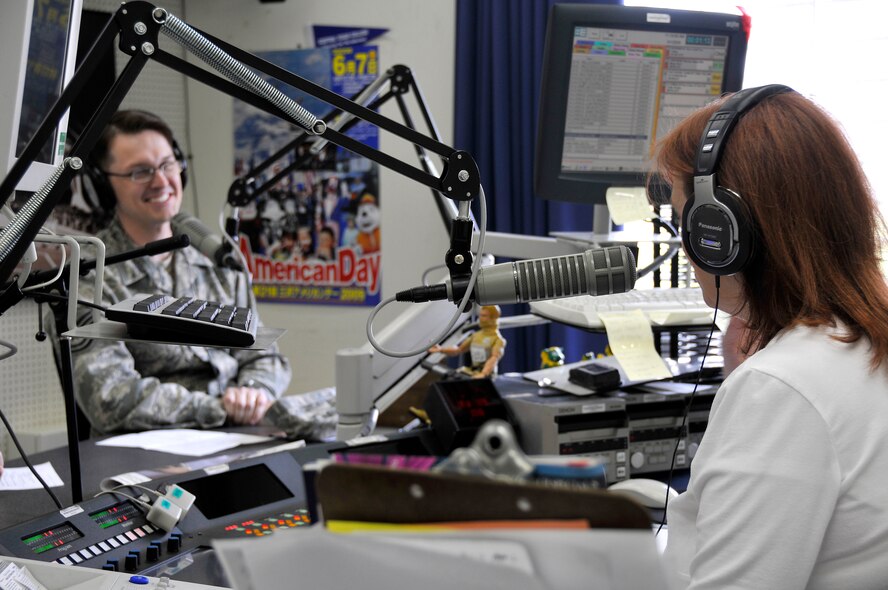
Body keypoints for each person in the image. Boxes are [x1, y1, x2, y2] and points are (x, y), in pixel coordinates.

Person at [653, 87, 888, 588]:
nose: (688, 251)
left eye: (687, 226)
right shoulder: (864, 341)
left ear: (723, 233)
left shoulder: (782, 389)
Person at [69, 110, 291, 434]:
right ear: (104, 186)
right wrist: (218, 408)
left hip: (237, 435)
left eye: (167, 164)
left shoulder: (217, 259)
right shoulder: (91, 274)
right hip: (147, 457)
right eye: (140, 172)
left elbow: (266, 358)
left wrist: (253, 394)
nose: (161, 182)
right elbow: (110, 398)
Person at [428, 305, 506, 378]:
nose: (480, 319)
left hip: (488, 375)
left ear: (493, 318)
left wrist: (483, 373)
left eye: (484, 316)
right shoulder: (476, 336)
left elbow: (493, 358)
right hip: (473, 372)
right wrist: (441, 349)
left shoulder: (498, 340)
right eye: (480, 315)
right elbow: (459, 350)